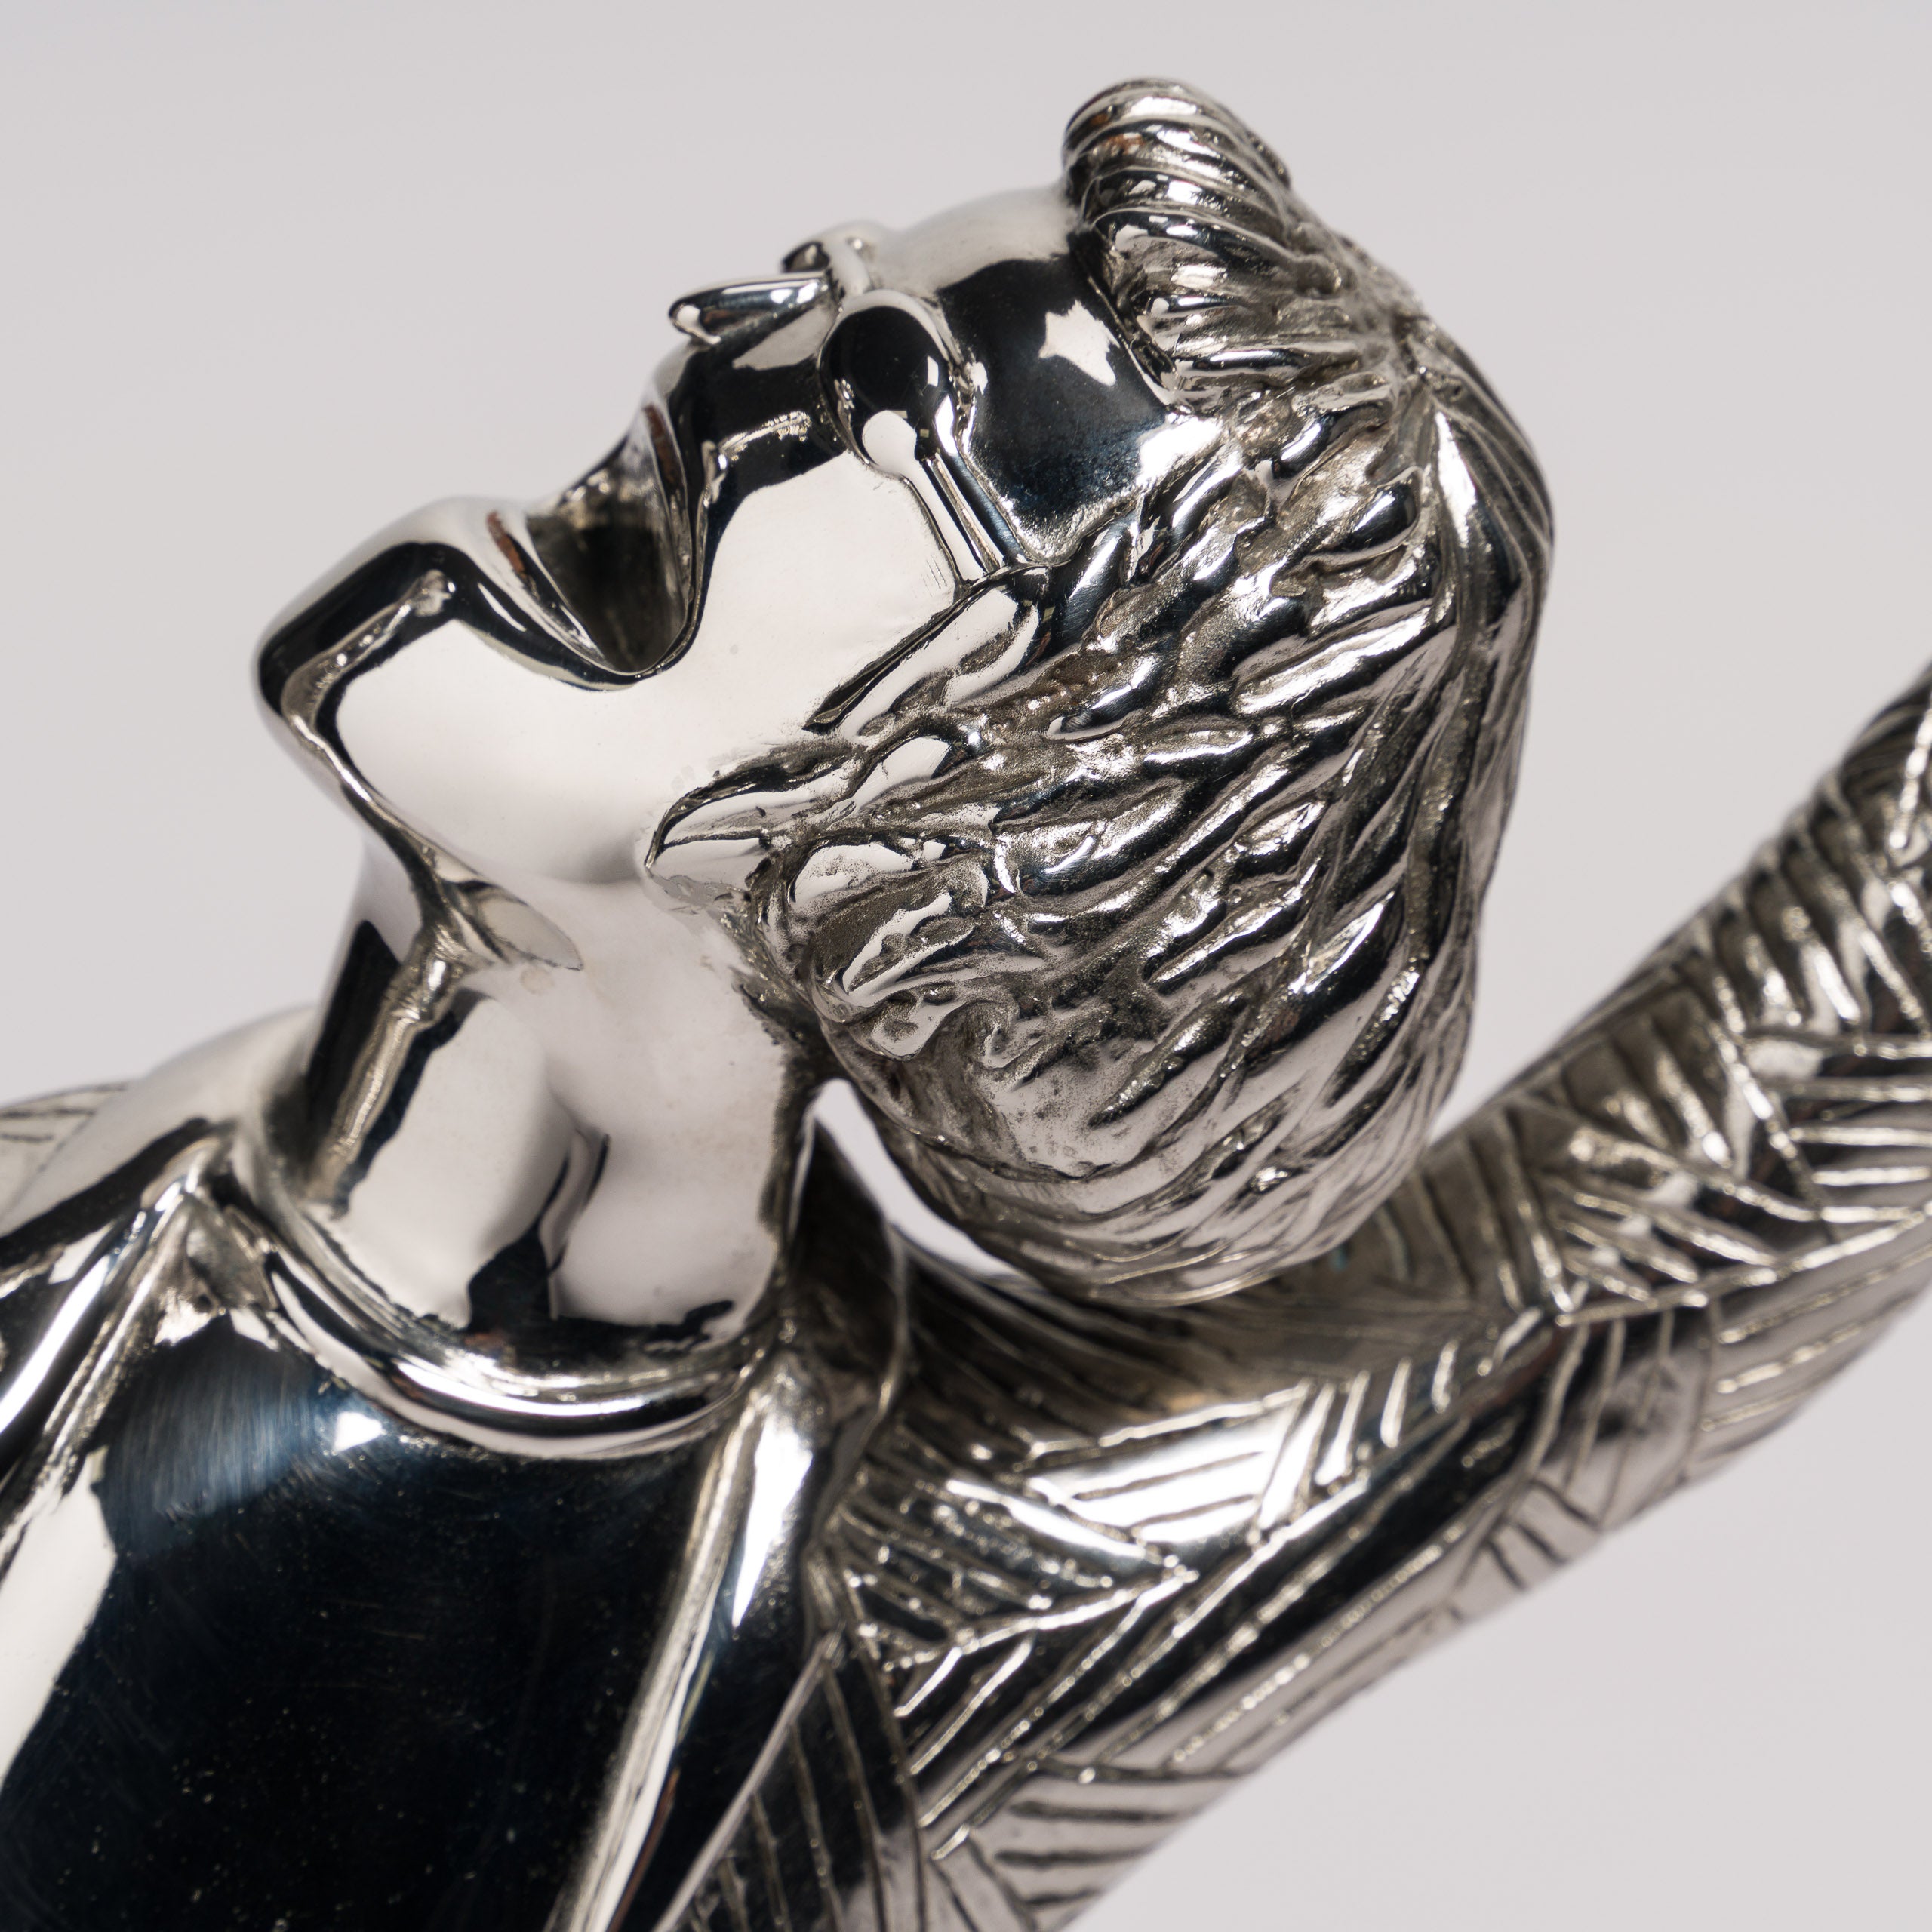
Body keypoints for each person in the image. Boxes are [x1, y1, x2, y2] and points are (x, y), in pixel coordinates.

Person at [1, 79, 1921, 1932]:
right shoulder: (94, 1180)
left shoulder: (922, 1627)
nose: (713, 355)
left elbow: (1621, 1268)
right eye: (813, 280)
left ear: (996, 877)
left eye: (897, 408)